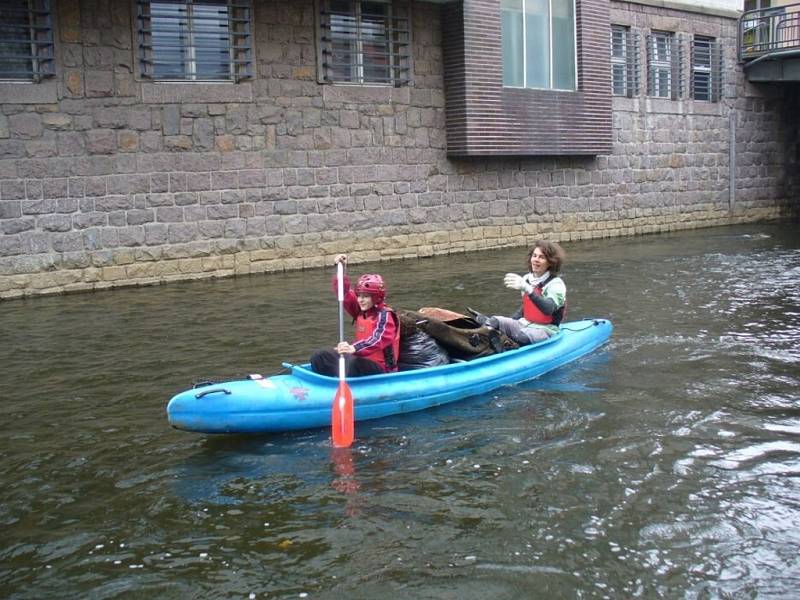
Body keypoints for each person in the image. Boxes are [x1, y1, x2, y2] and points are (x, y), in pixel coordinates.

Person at [310, 254, 400, 377]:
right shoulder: (361, 310)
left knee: (352, 363)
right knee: (319, 355)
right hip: (359, 360)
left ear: (376, 298)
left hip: (381, 368)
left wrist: (354, 348)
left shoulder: (385, 315)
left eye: (365, 296)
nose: (360, 300)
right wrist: (342, 270)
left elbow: (378, 339)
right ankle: (330, 383)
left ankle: (345, 379)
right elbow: (345, 293)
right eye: (359, 295)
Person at [470, 240, 566, 346]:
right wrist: (506, 322)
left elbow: (548, 309)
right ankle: (480, 337)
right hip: (524, 324)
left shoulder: (555, 284)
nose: (536, 260)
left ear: (550, 262)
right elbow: (526, 308)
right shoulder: (526, 279)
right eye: (534, 256)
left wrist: (529, 290)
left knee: (521, 336)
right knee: (495, 320)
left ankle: (504, 343)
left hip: (546, 329)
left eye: (541, 257)